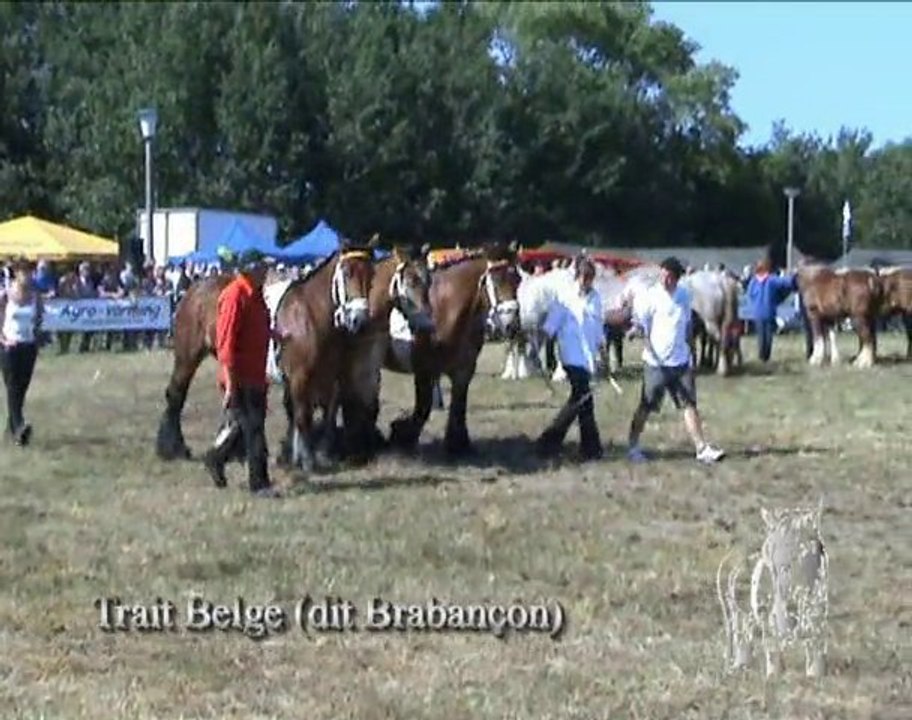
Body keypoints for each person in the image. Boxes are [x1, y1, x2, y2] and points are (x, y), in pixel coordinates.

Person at [619, 256, 725, 465]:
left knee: (689, 405)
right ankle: (632, 447)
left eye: (669, 277)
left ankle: (701, 448)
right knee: (646, 405)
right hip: (656, 363)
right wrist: (636, 332)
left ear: (677, 278)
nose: (665, 280)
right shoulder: (650, 297)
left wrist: (690, 354)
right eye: (663, 275)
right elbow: (641, 324)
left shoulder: (684, 296)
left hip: (681, 362)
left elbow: (686, 326)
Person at [202, 249, 280, 497]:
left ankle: (216, 458)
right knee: (254, 430)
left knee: (242, 428)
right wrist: (231, 385)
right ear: (249, 269)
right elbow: (225, 344)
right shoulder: (234, 295)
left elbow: (259, 328)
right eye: (262, 267)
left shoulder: (256, 296)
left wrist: (277, 337)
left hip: (256, 375)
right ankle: (260, 484)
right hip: (239, 377)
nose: (267, 272)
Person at [535, 254, 604, 461]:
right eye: (583, 276)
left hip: (589, 357)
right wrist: (535, 345)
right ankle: (587, 447)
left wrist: (603, 353)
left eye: (590, 277)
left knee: (581, 402)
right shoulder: (565, 297)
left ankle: (554, 443)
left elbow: (598, 328)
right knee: (583, 398)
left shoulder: (596, 298)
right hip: (572, 356)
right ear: (577, 276)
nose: (586, 281)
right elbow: (550, 326)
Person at [0, 259, 43, 446]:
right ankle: (19, 428)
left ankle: (12, 427)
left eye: (29, 271)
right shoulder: (5, 295)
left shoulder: (35, 296)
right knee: (12, 387)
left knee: (22, 388)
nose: (27, 275)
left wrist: (36, 335)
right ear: (16, 273)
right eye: (23, 271)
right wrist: (3, 339)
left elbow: (40, 318)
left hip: (28, 346)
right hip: (9, 347)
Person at [745, 258, 798, 362]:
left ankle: (761, 356)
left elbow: (749, 295)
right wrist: (794, 275)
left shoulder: (753, 281)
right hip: (769, 312)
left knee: (761, 336)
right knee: (769, 336)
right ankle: (766, 356)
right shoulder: (771, 279)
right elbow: (786, 282)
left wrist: (754, 304)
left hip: (757, 313)